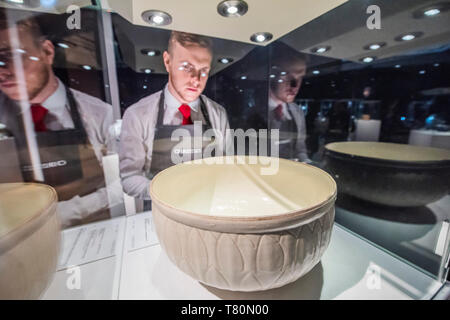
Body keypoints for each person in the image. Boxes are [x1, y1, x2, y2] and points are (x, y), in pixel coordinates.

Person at [0, 10, 116, 228]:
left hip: (94, 227)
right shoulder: (3, 117)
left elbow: (121, 185)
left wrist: (62, 213)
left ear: (47, 51)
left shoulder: (99, 114)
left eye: (12, 56)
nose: (2, 72)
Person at [119, 31, 231, 202]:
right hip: (163, 211)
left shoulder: (218, 113)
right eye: (187, 67)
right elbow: (130, 178)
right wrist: (167, 195)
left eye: (204, 70)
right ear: (167, 61)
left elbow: (226, 165)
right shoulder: (137, 115)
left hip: (209, 206)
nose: (196, 79)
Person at [268, 42, 311, 162]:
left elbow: (301, 149)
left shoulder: (297, 112)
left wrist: (309, 165)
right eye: (287, 75)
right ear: (272, 75)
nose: (295, 85)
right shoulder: (256, 112)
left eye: (300, 77)